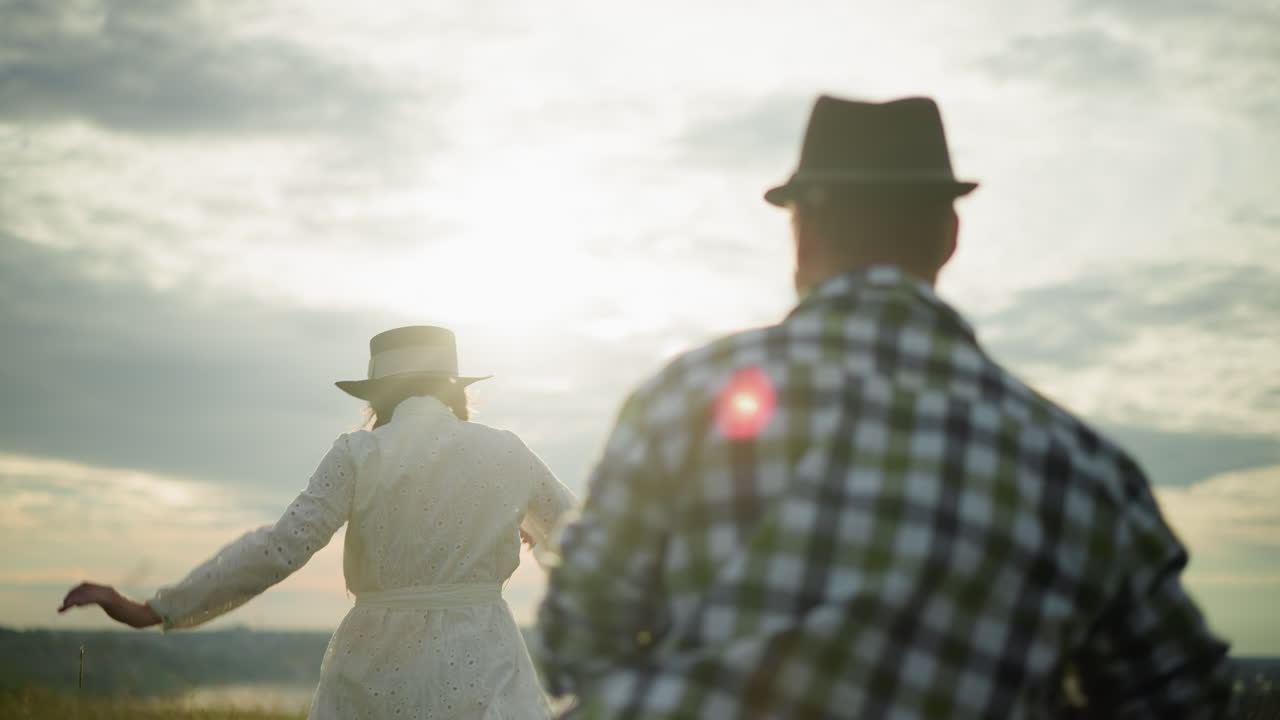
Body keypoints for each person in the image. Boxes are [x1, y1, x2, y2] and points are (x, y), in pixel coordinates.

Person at [537, 96, 1234, 718]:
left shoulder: (685, 397)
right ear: (947, 237)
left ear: (801, 234)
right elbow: (1180, 694)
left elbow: (574, 636)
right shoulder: (1081, 468)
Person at [61, 325, 578, 719]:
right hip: (486, 663)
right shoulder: (506, 453)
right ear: (455, 390)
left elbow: (280, 549)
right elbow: (588, 539)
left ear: (378, 396)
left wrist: (154, 609)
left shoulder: (360, 453)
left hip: (378, 666)